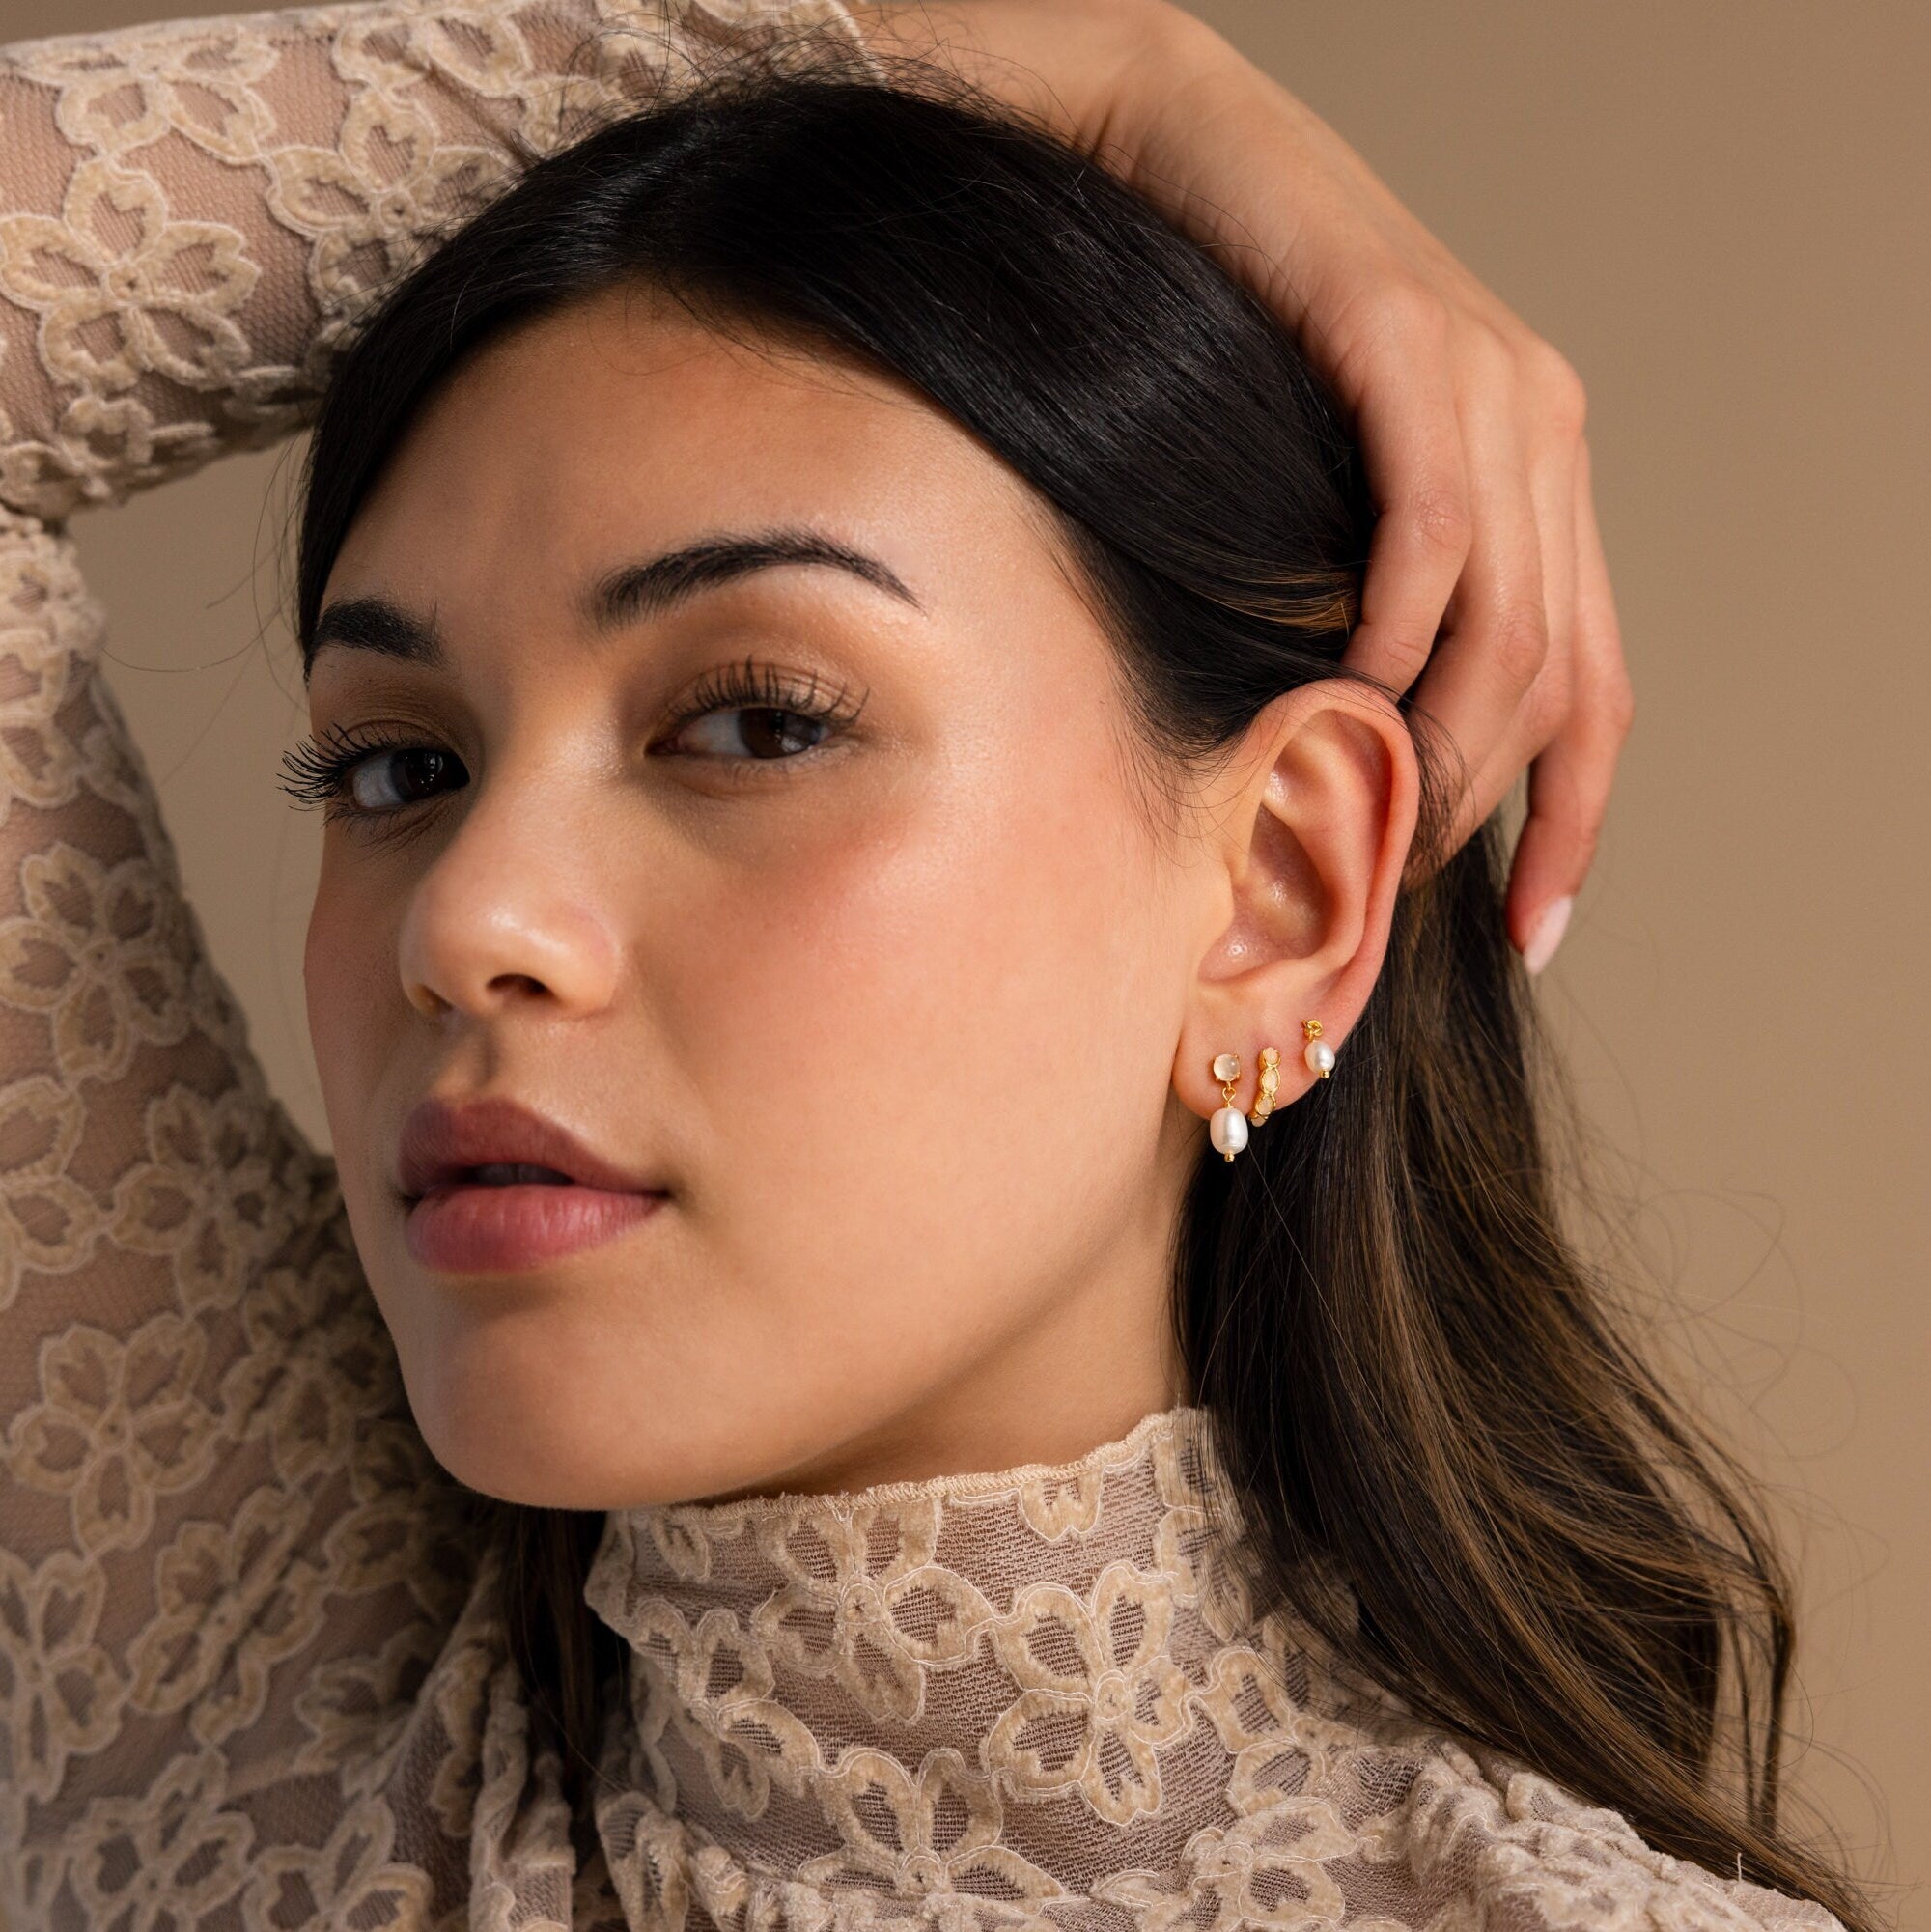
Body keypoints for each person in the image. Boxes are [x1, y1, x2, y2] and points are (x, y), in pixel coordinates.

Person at [0, 3, 1866, 1929]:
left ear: (1282, 892)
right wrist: (1079, 65)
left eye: (750, 724)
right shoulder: (258, 1717)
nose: (465, 917)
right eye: (400, 766)